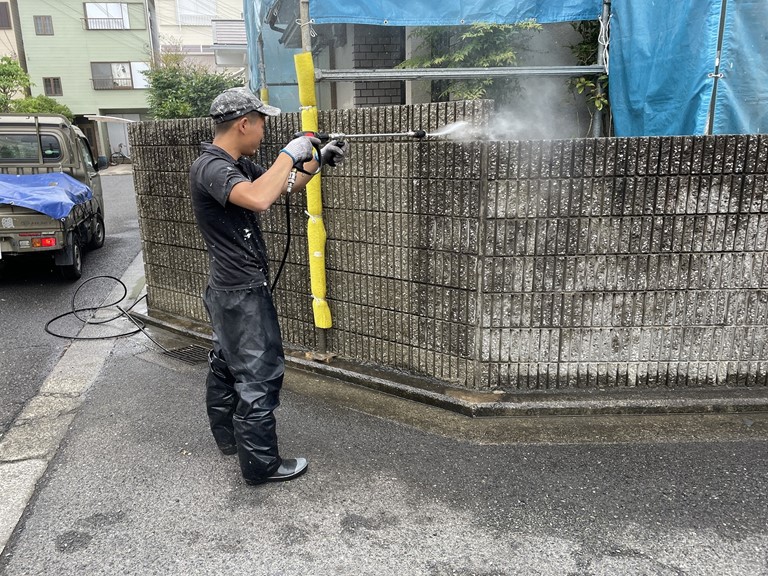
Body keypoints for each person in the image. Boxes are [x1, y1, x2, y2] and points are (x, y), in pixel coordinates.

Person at [189, 88, 345, 485]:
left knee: (228, 363)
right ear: (244, 123)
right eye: (261, 123)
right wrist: (288, 152)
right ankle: (261, 465)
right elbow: (259, 199)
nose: (263, 131)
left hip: (229, 288)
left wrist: (317, 160)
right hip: (240, 292)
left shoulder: (234, 163)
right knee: (259, 374)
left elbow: (282, 185)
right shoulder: (213, 167)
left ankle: (229, 439)